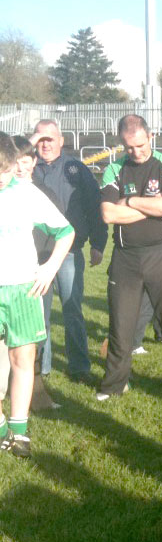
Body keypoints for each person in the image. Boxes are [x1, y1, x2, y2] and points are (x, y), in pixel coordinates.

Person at [96, 114, 162, 403]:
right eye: (129, 148)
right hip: (125, 257)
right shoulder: (113, 170)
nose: (136, 152)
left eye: (140, 145)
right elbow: (107, 213)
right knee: (120, 324)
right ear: (121, 144)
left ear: (150, 137)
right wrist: (152, 207)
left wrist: (128, 201)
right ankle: (114, 384)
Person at [0, 132, 74, 457]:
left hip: (23, 288)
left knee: (23, 359)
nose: (3, 176)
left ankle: (19, 431)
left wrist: (49, 267)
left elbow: (65, 231)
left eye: (6, 169)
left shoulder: (25, 193)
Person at [31, 120, 107, 383]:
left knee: (72, 309)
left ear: (62, 140)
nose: (46, 144)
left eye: (51, 138)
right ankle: (41, 368)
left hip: (69, 253)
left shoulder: (76, 169)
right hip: (35, 255)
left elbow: (94, 206)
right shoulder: (24, 168)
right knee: (39, 314)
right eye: (41, 139)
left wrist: (98, 243)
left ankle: (79, 367)